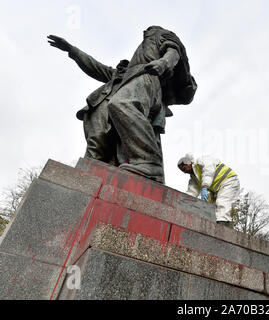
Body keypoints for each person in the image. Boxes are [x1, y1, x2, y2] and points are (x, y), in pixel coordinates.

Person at [47, 26, 197, 184]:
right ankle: (86, 182)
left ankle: (148, 162)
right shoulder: (117, 76)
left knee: (121, 105)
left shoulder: (158, 38)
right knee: (96, 147)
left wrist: (163, 63)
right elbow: (94, 66)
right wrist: (72, 50)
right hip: (103, 109)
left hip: (134, 97)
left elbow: (173, 52)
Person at [178, 154, 240, 227]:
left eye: (184, 168)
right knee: (212, 208)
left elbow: (208, 172)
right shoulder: (194, 178)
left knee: (222, 202)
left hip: (228, 180)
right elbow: (191, 192)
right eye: (182, 170)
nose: (184, 172)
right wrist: (183, 203)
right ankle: (216, 227)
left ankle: (223, 227)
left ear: (188, 163)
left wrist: (205, 186)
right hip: (217, 189)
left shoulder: (202, 161)